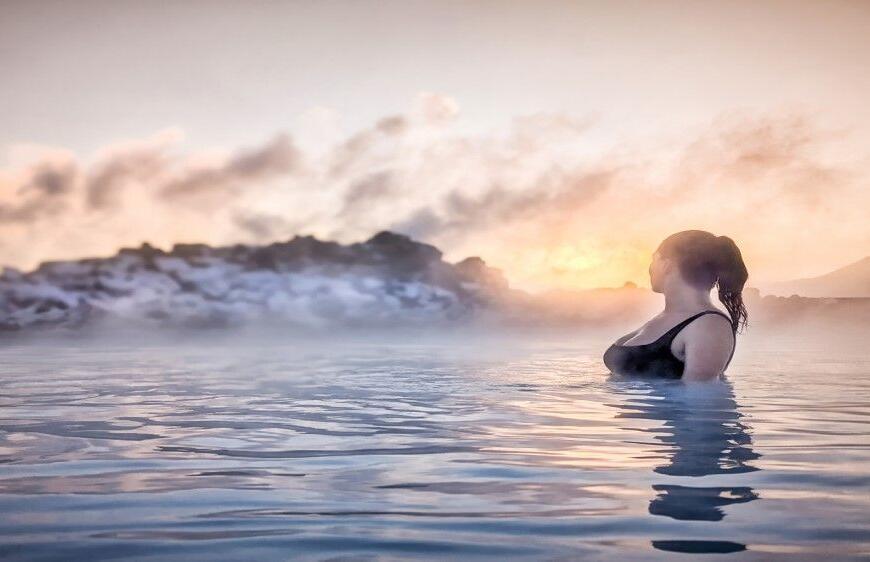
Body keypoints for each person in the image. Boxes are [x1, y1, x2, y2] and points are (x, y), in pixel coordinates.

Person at [602, 230, 749, 381]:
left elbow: (702, 399)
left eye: (654, 259)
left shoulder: (709, 325)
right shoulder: (668, 317)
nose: (650, 267)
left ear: (666, 265)